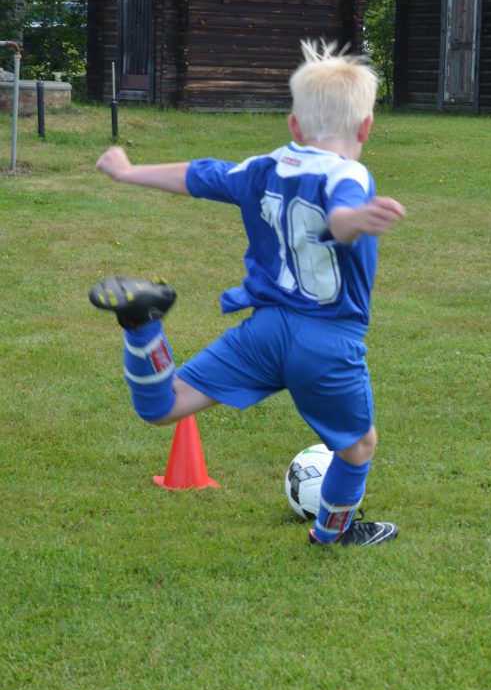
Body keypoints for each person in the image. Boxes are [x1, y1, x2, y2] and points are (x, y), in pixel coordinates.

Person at [89, 40, 406, 547]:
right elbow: (341, 211)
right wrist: (354, 221)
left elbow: (196, 175)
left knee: (163, 407)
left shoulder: (264, 166)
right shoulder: (351, 174)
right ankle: (331, 534)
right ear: (365, 127)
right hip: (326, 344)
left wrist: (127, 172)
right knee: (358, 447)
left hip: (264, 331)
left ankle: (143, 329)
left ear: (295, 127)